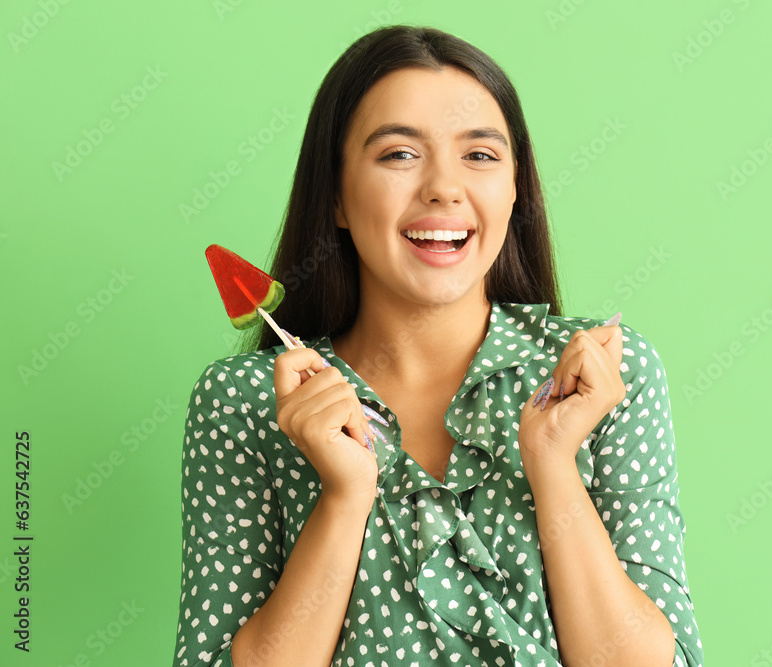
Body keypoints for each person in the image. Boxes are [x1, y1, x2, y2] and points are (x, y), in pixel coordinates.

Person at [172, 25, 702, 667]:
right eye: (399, 154)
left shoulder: (599, 378)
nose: (444, 189)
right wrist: (344, 498)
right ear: (336, 194)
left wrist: (553, 462)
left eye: (480, 156)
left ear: (514, 189)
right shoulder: (249, 402)